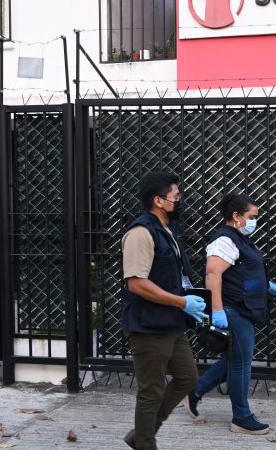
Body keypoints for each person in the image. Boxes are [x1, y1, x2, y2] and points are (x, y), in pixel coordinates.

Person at [184, 193, 276, 435]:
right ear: (236, 216)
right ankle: (241, 417)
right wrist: (219, 311)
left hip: (242, 308)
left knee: (234, 358)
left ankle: (195, 391)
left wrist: (268, 286)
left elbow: (244, 274)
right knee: (241, 363)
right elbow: (213, 275)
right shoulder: (224, 240)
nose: (255, 221)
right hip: (232, 310)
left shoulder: (240, 239)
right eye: (252, 217)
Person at [121, 172, 207, 450]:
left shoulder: (168, 229)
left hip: (172, 321)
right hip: (149, 325)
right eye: (175, 196)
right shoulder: (140, 233)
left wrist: (187, 302)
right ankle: (146, 443)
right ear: (158, 200)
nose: (179, 200)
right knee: (151, 390)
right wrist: (182, 302)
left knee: (187, 377)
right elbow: (137, 283)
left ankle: (142, 433)